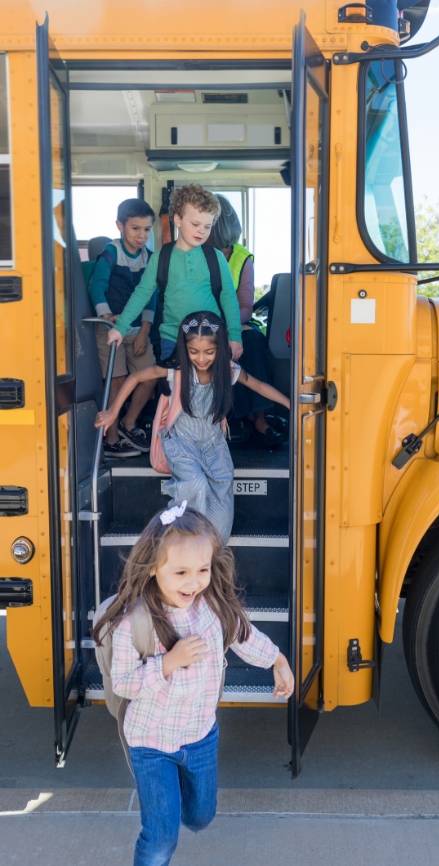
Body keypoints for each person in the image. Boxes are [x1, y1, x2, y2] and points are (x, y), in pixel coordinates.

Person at [92, 504, 295, 866]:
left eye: (202, 570)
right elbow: (123, 682)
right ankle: (163, 818)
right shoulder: (134, 622)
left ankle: (176, 807)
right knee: (161, 837)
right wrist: (167, 663)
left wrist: (277, 661)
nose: (194, 582)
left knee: (201, 816)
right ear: (154, 568)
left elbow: (244, 635)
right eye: (181, 572)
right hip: (150, 743)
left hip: (200, 735)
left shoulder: (213, 607)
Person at [95, 310, 290, 543]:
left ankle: (212, 549)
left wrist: (290, 404)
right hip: (181, 441)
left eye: (209, 352)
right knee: (194, 483)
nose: (201, 359)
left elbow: (258, 385)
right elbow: (136, 377)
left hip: (213, 444)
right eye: (194, 351)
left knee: (221, 492)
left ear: (220, 349)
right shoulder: (176, 370)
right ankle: (184, 538)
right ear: (184, 349)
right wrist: (112, 412)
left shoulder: (227, 370)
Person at [108, 185, 243, 365]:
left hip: (211, 338)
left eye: (207, 226)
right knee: (175, 392)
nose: (201, 230)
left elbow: (228, 297)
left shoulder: (216, 257)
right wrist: (121, 327)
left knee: (209, 392)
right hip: (172, 339)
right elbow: (142, 294)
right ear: (178, 219)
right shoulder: (160, 258)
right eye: (195, 224)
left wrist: (234, 335)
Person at [208, 194, 284, 447]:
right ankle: (228, 420)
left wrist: (228, 326)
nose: (225, 250)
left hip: (233, 322)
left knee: (252, 343)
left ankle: (258, 419)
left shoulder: (243, 258)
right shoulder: (193, 253)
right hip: (201, 323)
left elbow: (245, 306)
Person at [88, 199, 158, 458]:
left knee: (150, 377)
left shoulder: (150, 258)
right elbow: (97, 285)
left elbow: (151, 296)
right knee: (115, 383)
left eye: (147, 230)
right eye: (135, 229)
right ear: (120, 226)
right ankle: (112, 437)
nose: (141, 236)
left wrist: (145, 331)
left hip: (138, 330)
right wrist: (106, 315)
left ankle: (129, 423)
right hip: (111, 329)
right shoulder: (110, 252)